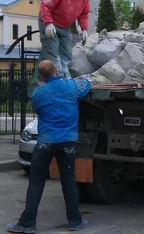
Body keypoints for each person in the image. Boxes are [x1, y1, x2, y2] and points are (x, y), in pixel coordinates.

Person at [8, 60, 92, 233]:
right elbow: (87, 85)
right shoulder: (70, 86)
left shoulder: (39, 93)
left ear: (40, 76)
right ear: (56, 70)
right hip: (67, 143)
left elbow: (38, 109)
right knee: (68, 181)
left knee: (36, 182)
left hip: (45, 143)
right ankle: (75, 221)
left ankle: (27, 224)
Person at [34, 0, 92, 85]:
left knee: (66, 53)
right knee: (53, 52)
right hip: (50, 21)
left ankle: (64, 76)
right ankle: (58, 81)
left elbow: (84, 12)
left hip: (65, 25)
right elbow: (46, 5)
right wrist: (48, 23)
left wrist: (84, 29)